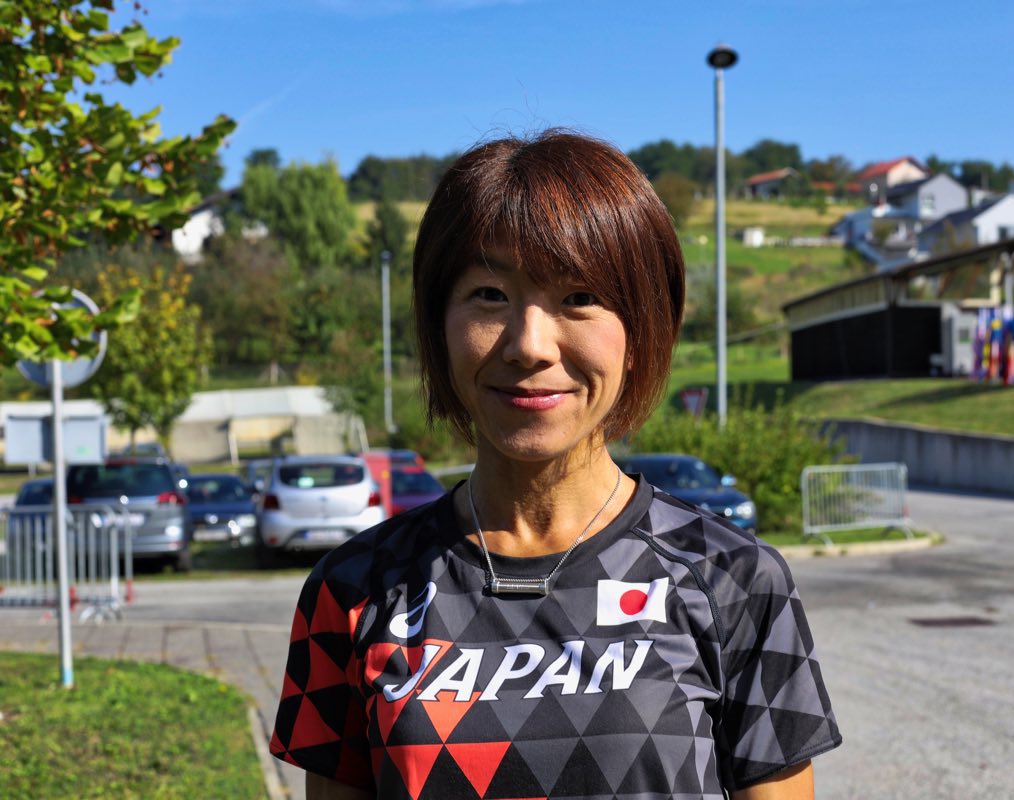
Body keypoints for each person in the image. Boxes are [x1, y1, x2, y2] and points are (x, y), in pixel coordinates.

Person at [270, 130, 841, 799]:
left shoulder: (733, 579)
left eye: (578, 298)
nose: (529, 345)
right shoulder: (351, 589)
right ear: (438, 325)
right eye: (490, 294)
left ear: (641, 331)